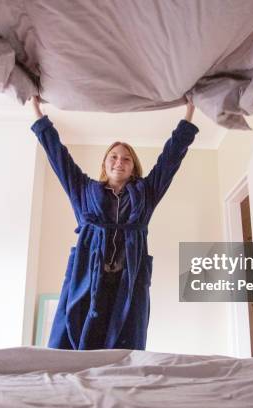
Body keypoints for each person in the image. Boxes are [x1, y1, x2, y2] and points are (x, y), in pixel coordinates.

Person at [30, 95, 198, 350]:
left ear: (133, 168)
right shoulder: (84, 190)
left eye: (126, 159)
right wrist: (38, 115)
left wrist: (189, 113)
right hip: (87, 276)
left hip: (128, 280)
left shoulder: (146, 193)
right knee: (75, 340)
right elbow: (59, 157)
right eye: (114, 157)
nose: (119, 161)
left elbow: (170, 158)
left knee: (124, 344)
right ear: (105, 164)